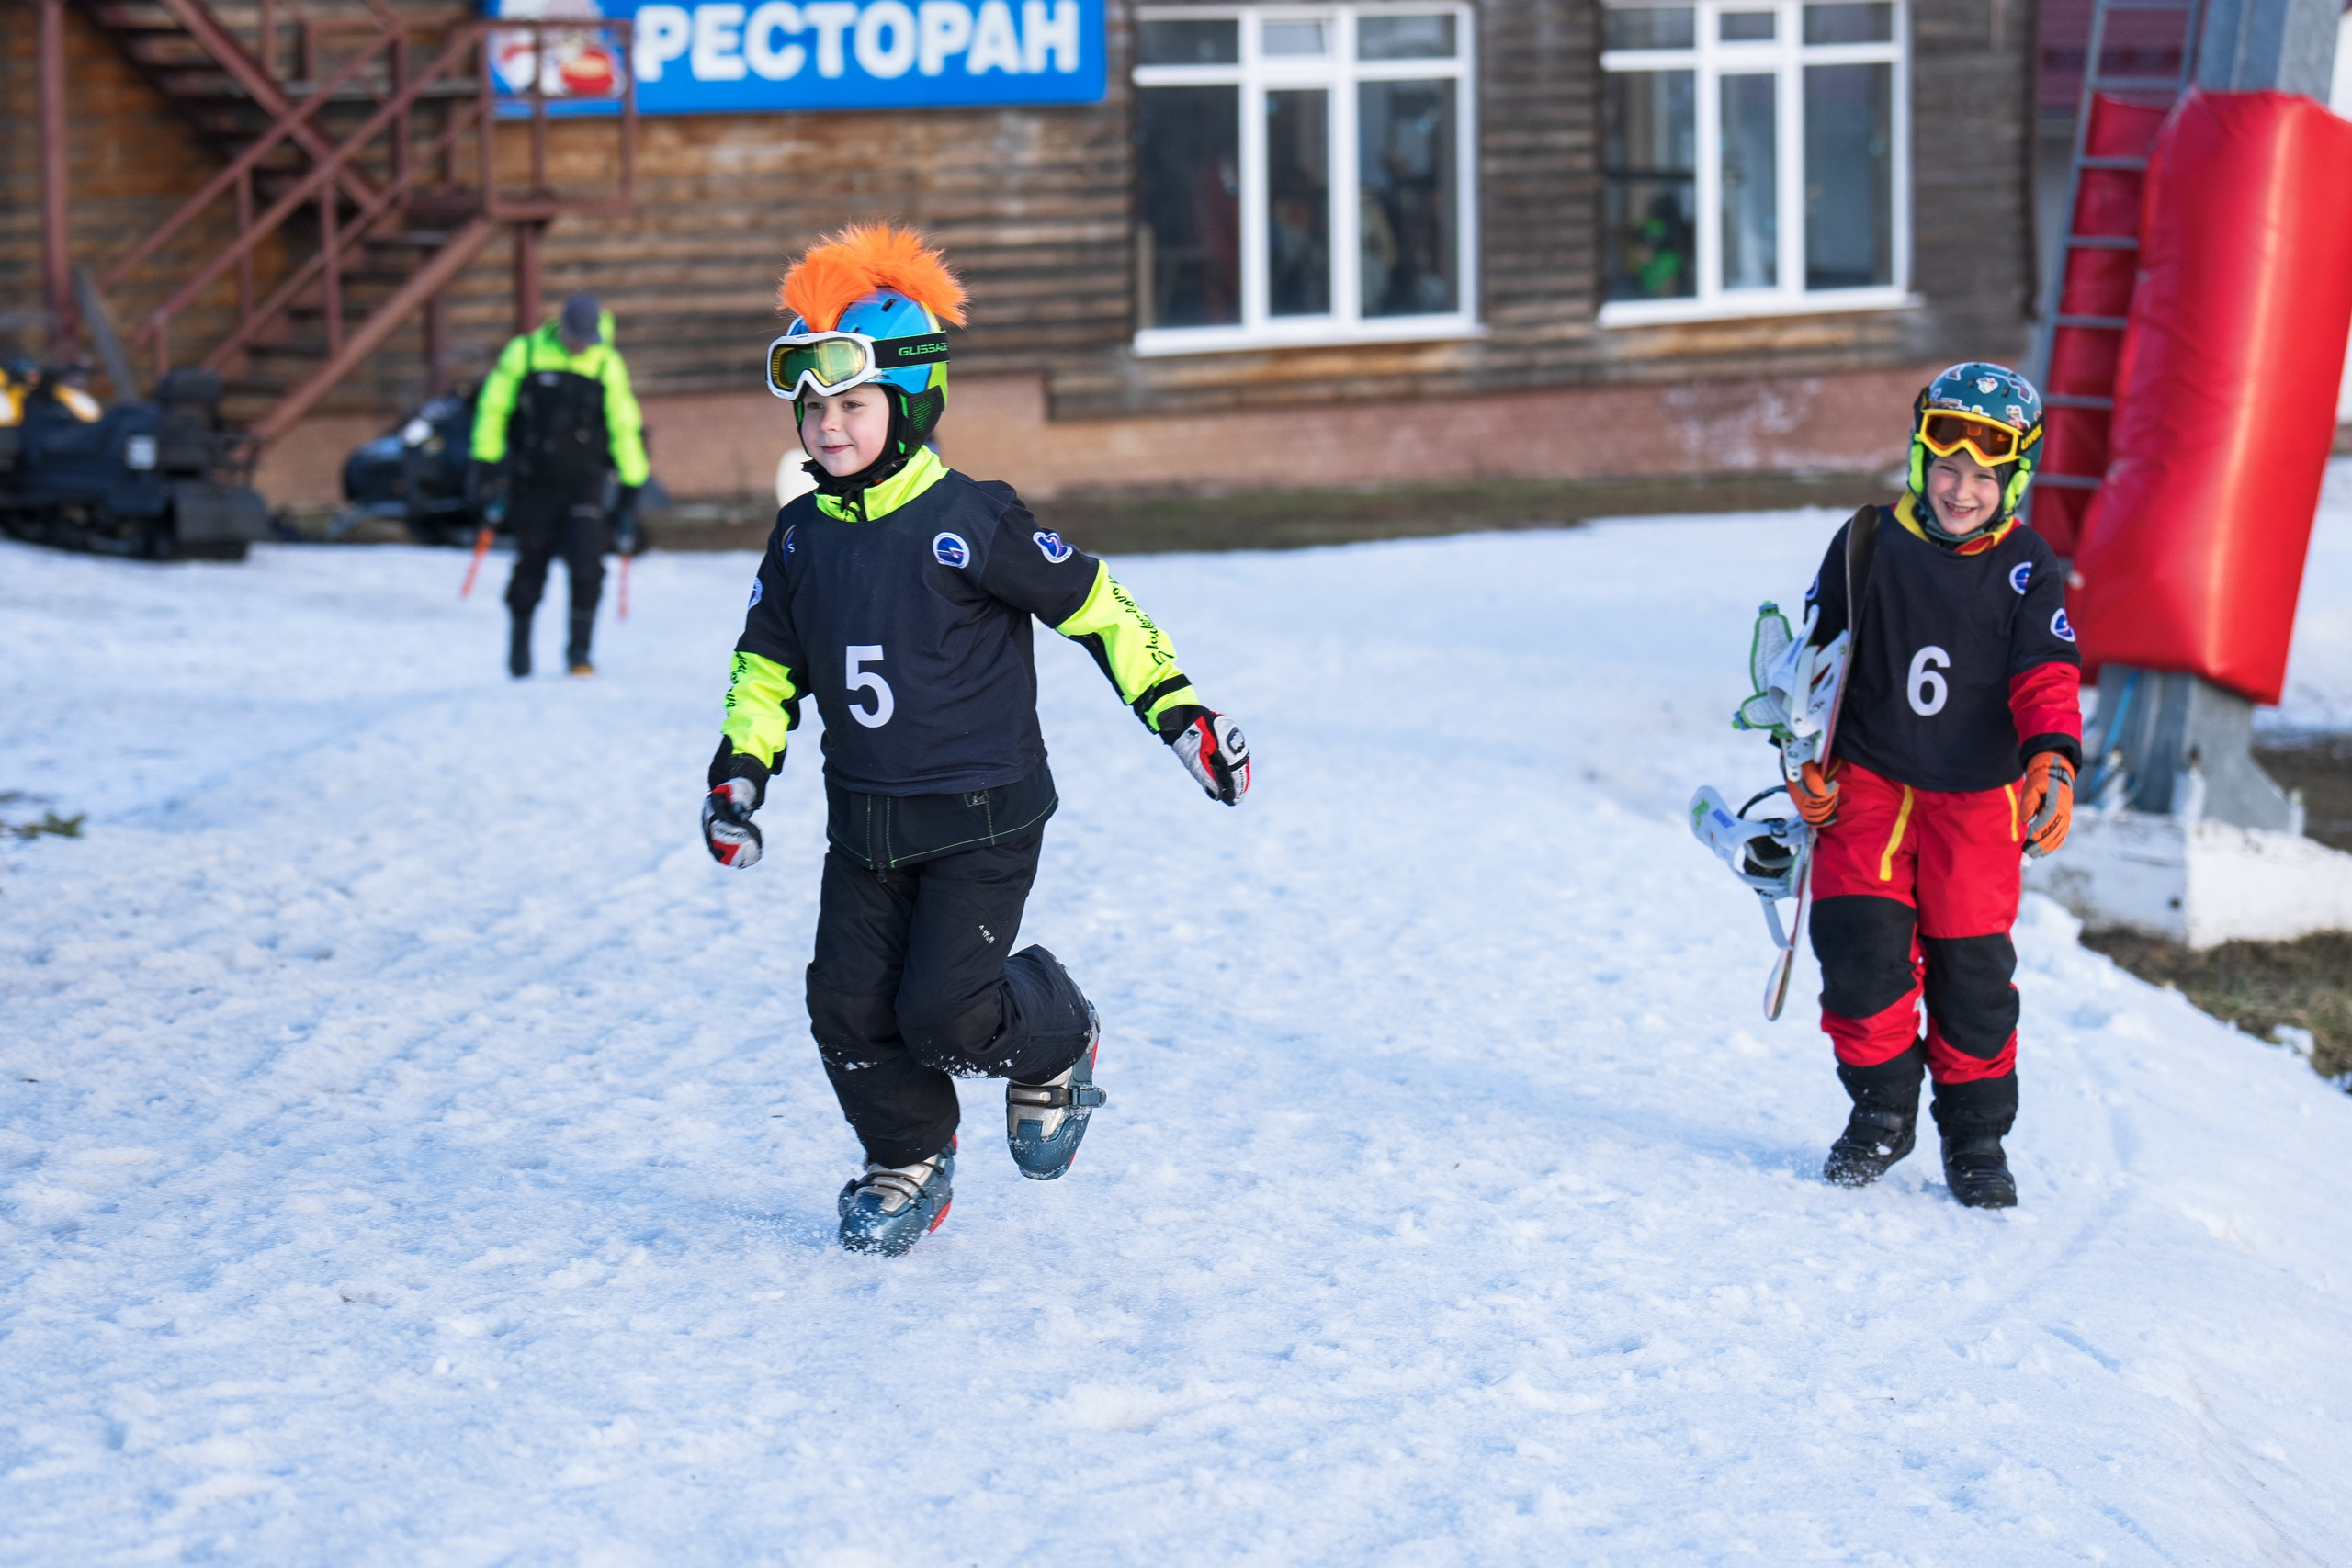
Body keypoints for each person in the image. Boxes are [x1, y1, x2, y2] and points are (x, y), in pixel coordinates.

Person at [699, 225, 1251, 1257]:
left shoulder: (972, 520)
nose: (827, 426)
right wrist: (739, 773)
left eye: (853, 405)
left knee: (946, 1015)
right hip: (865, 824)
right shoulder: (802, 535)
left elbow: (1098, 608)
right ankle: (907, 1156)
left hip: (982, 817)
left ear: (911, 404)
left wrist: (1181, 713)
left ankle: (1057, 1031)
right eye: (812, 408)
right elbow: (767, 665)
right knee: (845, 1007)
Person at [1785, 363, 2080, 1210]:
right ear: (1921, 458)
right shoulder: (1869, 541)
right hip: (1870, 785)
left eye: (1985, 476)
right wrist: (1802, 760)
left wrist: (2052, 761)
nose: (1961, 490)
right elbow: (1814, 667)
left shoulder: (2027, 565)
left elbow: (2046, 673)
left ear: (2014, 479)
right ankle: (1881, 1111)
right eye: (1946, 467)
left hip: (1978, 804)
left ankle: (1975, 1136)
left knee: (1973, 977)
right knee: (1859, 952)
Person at [468, 292, 650, 678]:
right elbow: (493, 408)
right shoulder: (525, 353)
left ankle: (579, 654)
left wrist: (633, 480)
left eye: (588, 338)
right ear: (562, 327)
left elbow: (624, 424)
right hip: (533, 482)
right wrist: (486, 461)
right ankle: (519, 655)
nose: (581, 344)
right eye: (576, 336)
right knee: (530, 566)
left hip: (584, 483)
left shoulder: (606, 362)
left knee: (588, 565)